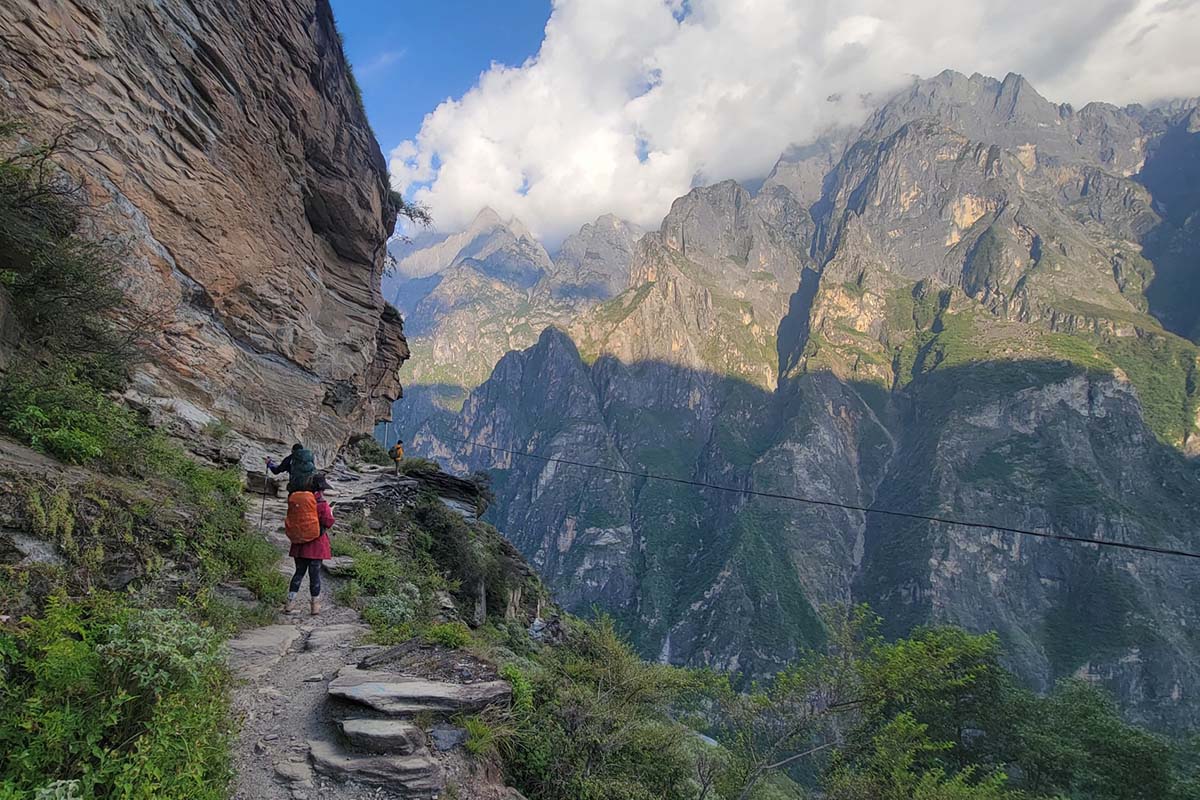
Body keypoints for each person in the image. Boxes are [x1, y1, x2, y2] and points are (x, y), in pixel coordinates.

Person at [285, 473, 335, 615]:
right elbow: (328, 522)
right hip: (316, 545)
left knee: (299, 573)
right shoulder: (322, 503)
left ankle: (290, 603)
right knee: (315, 576)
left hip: (300, 544)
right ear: (321, 489)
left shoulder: (300, 500)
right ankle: (315, 607)